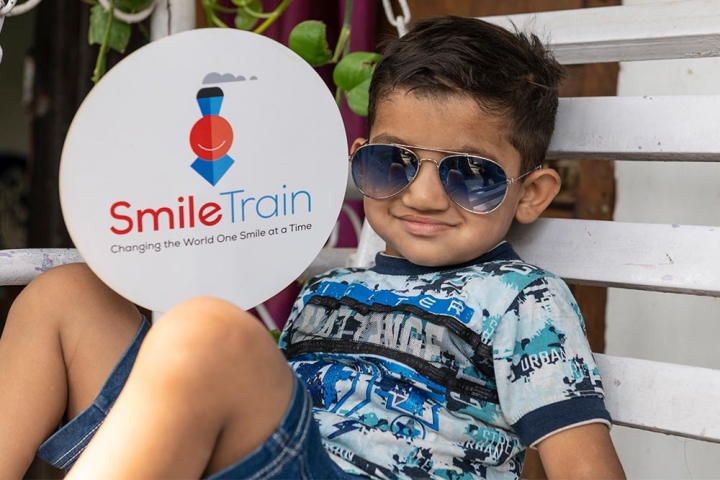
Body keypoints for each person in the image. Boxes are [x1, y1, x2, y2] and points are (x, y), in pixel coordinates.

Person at [0, 15, 625, 479]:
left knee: (208, 331)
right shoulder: (328, 292)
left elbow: (582, 469)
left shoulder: (523, 301)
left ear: (532, 193)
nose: (425, 196)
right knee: (67, 294)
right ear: (359, 161)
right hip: (256, 459)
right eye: (392, 163)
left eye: (471, 174)